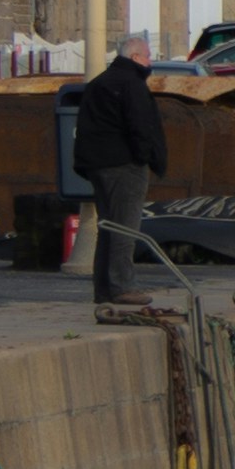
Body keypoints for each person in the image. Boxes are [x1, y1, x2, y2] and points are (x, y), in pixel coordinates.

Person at [71, 30, 171, 317]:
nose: (151, 61)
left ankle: (103, 286)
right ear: (136, 57)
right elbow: (141, 126)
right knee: (125, 226)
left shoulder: (100, 83)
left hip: (98, 165)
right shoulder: (132, 84)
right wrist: (145, 157)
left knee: (108, 226)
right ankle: (123, 286)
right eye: (149, 56)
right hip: (124, 165)